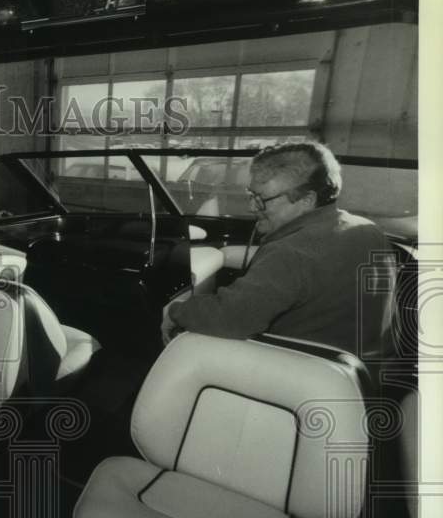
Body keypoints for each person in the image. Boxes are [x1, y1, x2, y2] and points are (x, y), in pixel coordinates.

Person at [161, 142, 396, 359]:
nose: (251, 207)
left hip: (299, 375)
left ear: (306, 200)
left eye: (262, 199)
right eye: (251, 195)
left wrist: (175, 311)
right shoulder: (370, 231)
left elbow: (230, 317)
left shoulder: (290, 252)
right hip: (359, 374)